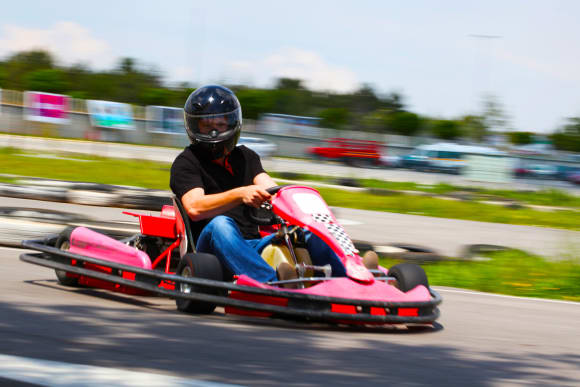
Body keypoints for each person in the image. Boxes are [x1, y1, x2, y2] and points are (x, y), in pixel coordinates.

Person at [169, 85, 349, 284]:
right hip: (210, 249)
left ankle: (345, 280)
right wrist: (240, 194)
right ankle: (272, 282)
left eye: (220, 124)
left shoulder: (246, 157)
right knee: (221, 224)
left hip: (252, 245)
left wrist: (294, 207)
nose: (214, 131)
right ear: (195, 126)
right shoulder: (187, 162)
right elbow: (195, 207)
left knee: (306, 233)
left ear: (232, 123)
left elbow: (271, 188)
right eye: (207, 125)